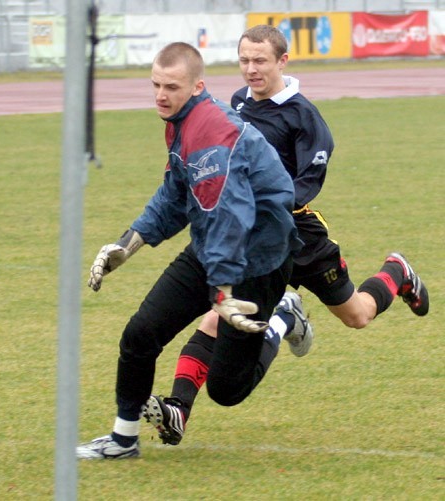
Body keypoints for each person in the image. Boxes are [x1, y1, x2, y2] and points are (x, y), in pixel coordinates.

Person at [142, 24, 430, 447]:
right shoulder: (237, 103)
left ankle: (394, 273)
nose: (250, 69)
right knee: (219, 312)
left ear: (282, 61)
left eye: (260, 61)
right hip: (253, 242)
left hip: (299, 236)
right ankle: (179, 408)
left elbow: (304, 185)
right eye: (243, 60)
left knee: (357, 315)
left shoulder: (304, 117)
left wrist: (253, 204)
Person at [76, 41, 302, 459]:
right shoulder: (182, 121)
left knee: (226, 389)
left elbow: (230, 215)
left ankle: (283, 317)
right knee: (140, 334)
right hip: (215, 252)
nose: (161, 95)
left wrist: (222, 288)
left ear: (198, 86)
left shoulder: (210, 134)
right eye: (156, 85)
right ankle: (123, 441)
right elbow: (176, 194)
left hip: (259, 262)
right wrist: (129, 242)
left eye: (172, 87)